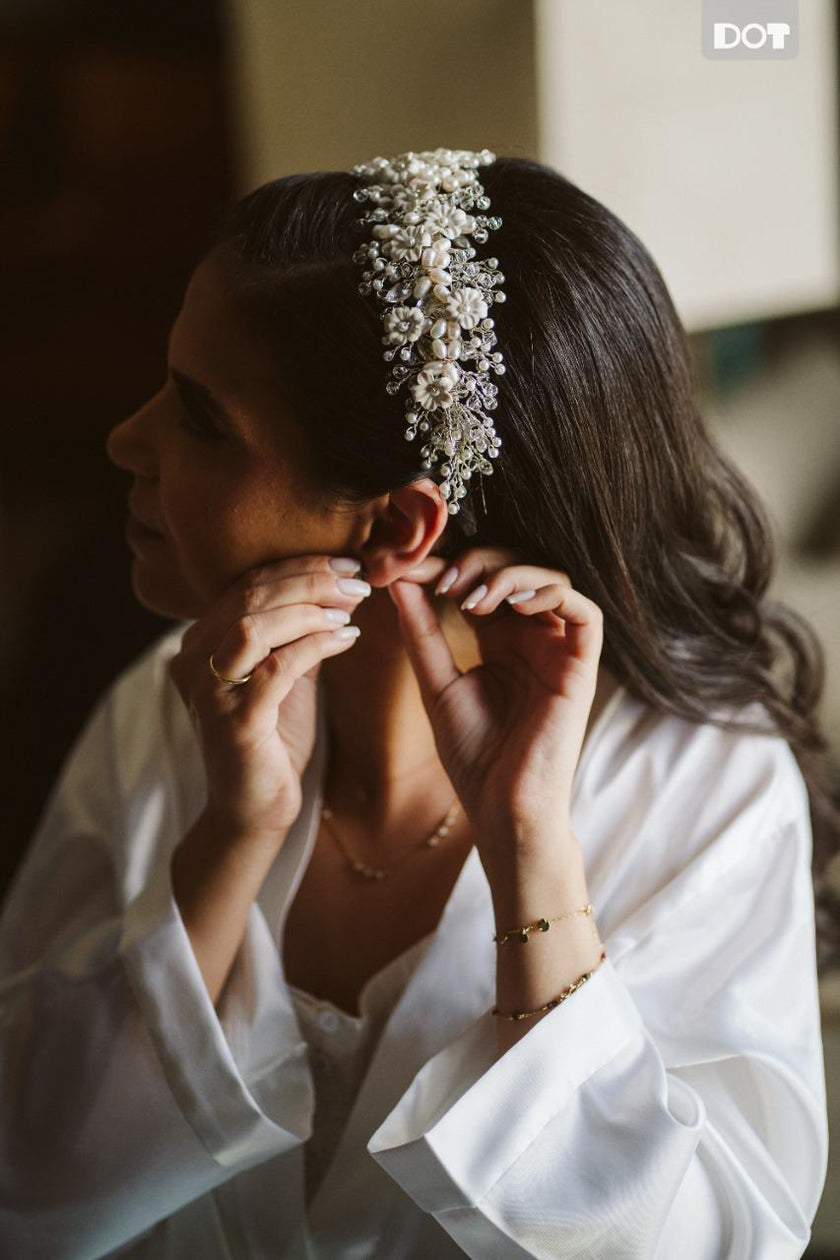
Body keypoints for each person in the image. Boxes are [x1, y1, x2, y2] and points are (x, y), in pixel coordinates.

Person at [0, 148, 836, 1259]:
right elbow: (28, 1192)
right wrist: (229, 841)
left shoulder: (706, 787)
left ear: (399, 527)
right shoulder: (163, 710)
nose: (124, 439)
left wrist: (528, 841)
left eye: (199, 421)